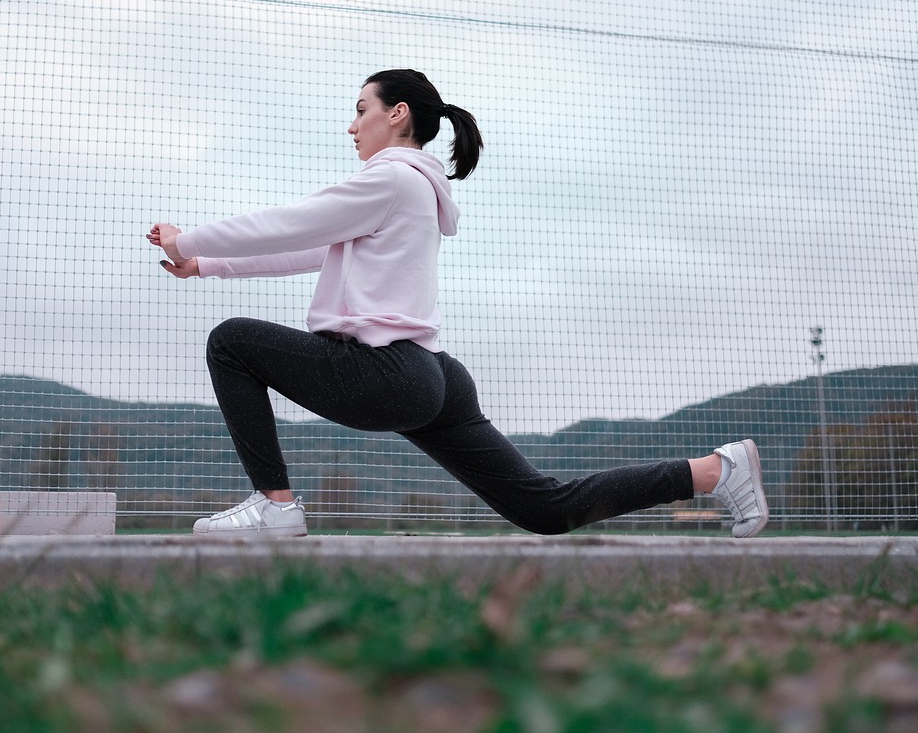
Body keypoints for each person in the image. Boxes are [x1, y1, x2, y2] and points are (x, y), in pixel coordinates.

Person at [148, 69, 768, 538]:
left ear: (397, 114)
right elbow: (312, 250)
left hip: (385, 373)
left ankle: (276, 507)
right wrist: (206, 265)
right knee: (542, 508)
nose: (351, 124)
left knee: (231, 343)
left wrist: (191, 236)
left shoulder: (389, 178)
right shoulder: (409, 190)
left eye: (360, 110)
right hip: (434, 378)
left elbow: (295, 223)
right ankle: (714, 471)